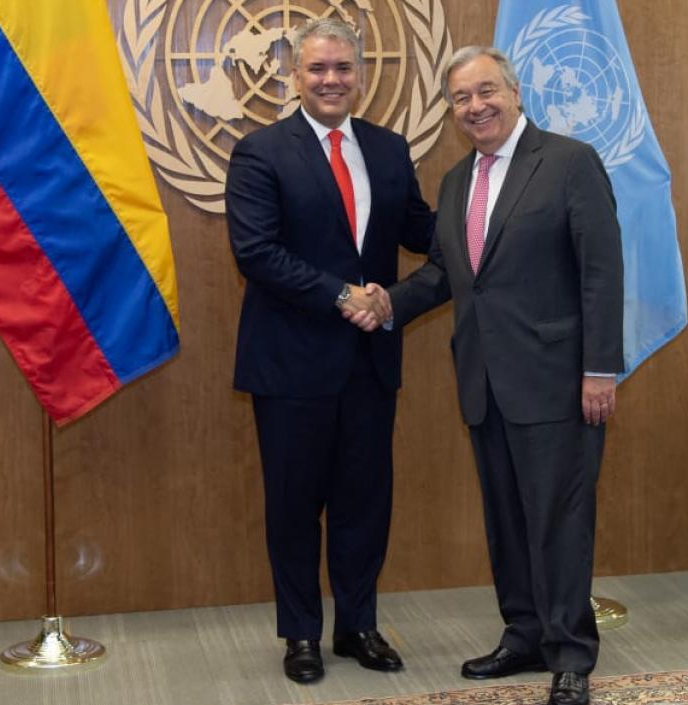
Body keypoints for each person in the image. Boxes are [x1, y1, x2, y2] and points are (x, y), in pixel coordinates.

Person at [354, 46, 622, 705]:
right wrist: (390, 301)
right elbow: (450, 274)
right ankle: (523, 633)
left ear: (515, 91)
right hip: (483, 379)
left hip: (557, 379)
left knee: (559, 519)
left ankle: (570, 655)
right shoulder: (455, 182)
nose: (475, 106)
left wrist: (598, 368)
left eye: (485, 91)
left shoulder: (568, 162)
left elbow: (601, 270)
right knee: (505, 516)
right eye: (461, 99)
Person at [224, 17, 434, 685]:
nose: (331, 79)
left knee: (365, 500)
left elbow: (425, 231)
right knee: (293, 504)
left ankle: (358, 625)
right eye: (317, 69)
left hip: (369, 363)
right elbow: (255, 252)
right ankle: (300, 633)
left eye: (342, 68)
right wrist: (345, 294)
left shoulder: (390, 148)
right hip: (290, 362)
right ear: (295, 76)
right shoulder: (260, 151)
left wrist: (493, 203)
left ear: (361, 75)